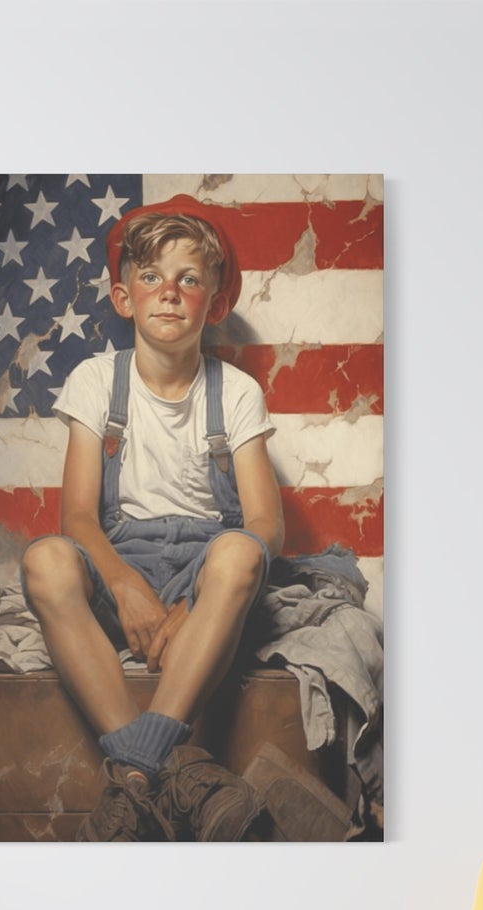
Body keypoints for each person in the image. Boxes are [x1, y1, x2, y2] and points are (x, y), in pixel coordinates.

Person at [21, 197, 284, 841]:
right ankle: (182, 769)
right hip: (118, 560)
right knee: (44, 560)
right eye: (151, 278)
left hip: (206, 564)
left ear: (214, 302)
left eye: (189, 280)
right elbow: (77, 517)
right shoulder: (95, 381)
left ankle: (134, 777)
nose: (169, 294)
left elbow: (266, 524)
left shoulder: (236, 392)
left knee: (243, 553)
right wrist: (124, 586)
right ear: (123, 296)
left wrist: (195, 604)